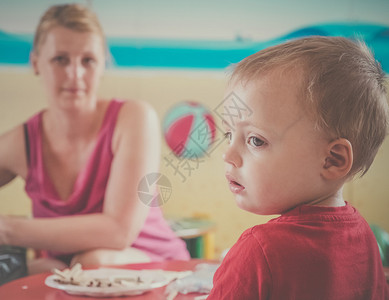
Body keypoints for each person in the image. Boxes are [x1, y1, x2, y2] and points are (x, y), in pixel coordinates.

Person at [0, 4, 189, 274]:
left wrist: (7, 230)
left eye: (87, 60)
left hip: (160, 271)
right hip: (69, 279)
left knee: (91, 263)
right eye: (60, 59)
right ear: (35, 63)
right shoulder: (20, 143)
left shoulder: (134, 117)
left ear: (102, 65)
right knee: (44, 269)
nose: (74, 74)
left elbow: (118, 232)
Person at [207, 36, 389, 299]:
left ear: (333, 160)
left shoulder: (259, 251)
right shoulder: (365, 238)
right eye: (227, 135)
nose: (228, 154)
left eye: (256, 140)